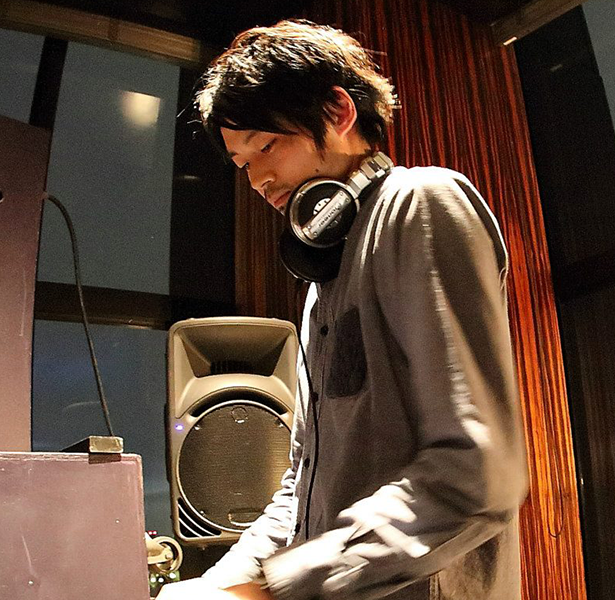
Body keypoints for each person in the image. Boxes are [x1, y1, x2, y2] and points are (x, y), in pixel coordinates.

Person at [158, 19, 528, 600]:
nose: (258, 179)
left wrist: (279, 589)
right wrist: (214, 587)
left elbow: (477, 473)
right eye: (242, 163)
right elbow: (299, 488)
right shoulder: (321, 281)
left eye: (266, 146)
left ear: (338, 112)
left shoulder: (420, 203)